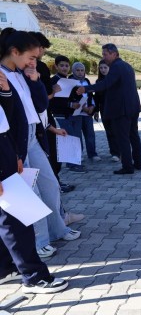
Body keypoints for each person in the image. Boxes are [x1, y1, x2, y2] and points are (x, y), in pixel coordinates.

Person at [0, 28, 81, 258]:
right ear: (14, 51)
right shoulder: (2, 75)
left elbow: (40, 105)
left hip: (33, 135)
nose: (35, 61)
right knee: (31, 191)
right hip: (16, 140)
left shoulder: (23, 73)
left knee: (50, 184)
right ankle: (39, 242)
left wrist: (35, 80)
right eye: (32, 57)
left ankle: (58, 229)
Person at [0, 82, 68, 294]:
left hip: (5, 145)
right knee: (17, 220)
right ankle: (34, 276)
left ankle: (5, 267)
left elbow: (7, 115)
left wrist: (5, 92)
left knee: (13, 218)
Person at [76, 43, 141, 175]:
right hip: (133, 107)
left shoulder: (116, 67)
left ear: (114, 53)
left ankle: (128, 167)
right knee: (133, 136)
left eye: (105, 54)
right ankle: (138, 163)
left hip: (121, 109)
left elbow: (106, 84)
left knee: (123, 138)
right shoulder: (127, 66)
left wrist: (86, 88)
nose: (104, 57)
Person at [29, 32, 75, 193]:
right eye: (42, 49)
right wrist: (54, 91)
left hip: (41, 122)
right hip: (40, 122)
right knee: (50, 156)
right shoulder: (37, 67)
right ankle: (53, 185)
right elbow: (44, 99)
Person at [50, 55, 87, 174]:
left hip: (74, 113)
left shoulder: (71, 80)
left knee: (75, 137)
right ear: (56, 66)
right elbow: (54, 101)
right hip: (61, 114)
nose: (64, 68)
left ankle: (76, 162)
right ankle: (71, 164)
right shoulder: (54, 81)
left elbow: (74, 96)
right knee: (68, 137)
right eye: (61, 65)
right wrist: (70, 104)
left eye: (66, 65)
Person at [69, 62, 101, 162]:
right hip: (76, 113)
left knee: (90, 134)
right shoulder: (69, 81)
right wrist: (82, 108)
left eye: (82, 70)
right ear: (73, 71)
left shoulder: (86, 80)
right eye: (77, 70)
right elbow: (69, 97)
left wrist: (92, 107)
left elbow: (90, 95)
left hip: (87, 114)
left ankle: (92, 154)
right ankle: (78, 154)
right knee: (77, 135)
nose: (80, 72)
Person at [95, 60, 120, 162]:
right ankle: (114, 152)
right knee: (109, 132)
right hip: (104, 110)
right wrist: (96, 111)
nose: (103, 70)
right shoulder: (98, 82)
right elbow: (96, 98)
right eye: (101, 68)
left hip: (115, 110)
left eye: (105, 67)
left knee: (117, 132)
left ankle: (120, 152)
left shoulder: (115, 80)